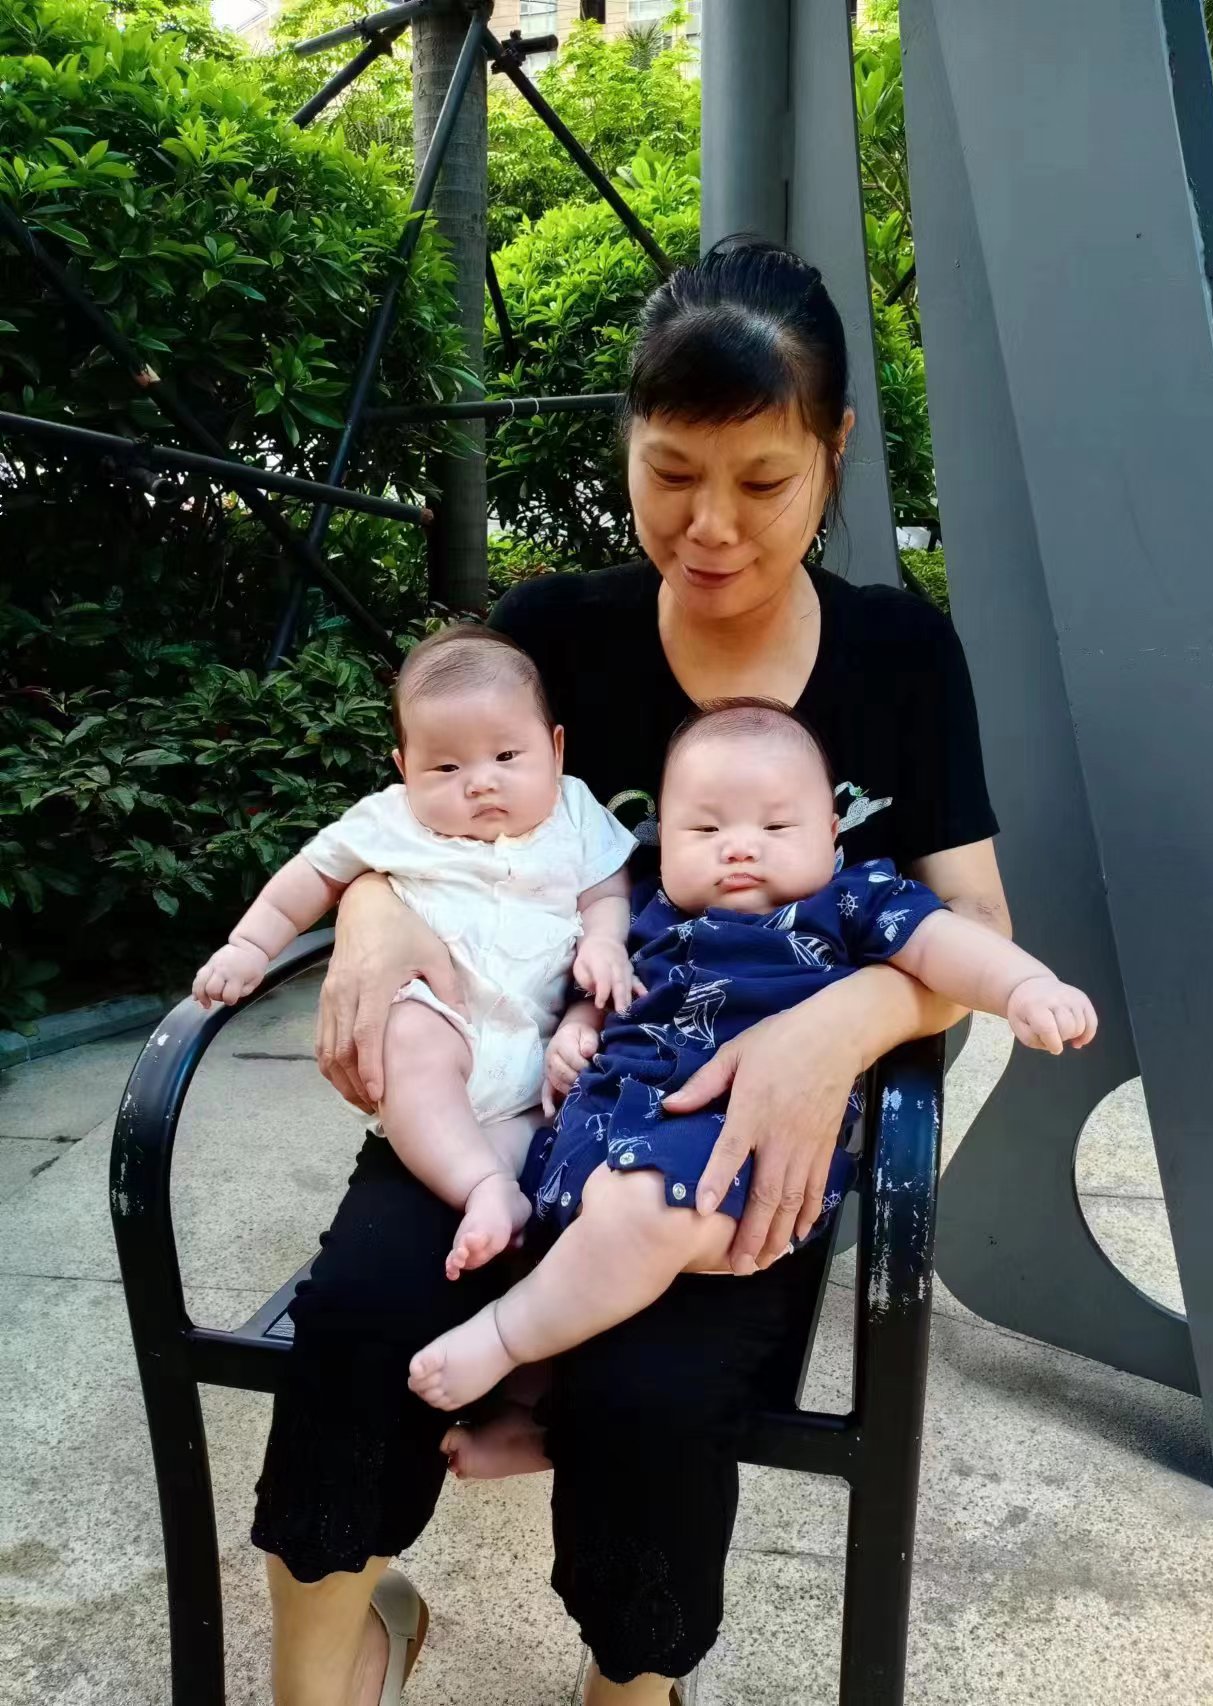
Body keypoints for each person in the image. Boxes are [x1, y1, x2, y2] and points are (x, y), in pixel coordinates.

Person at [251, 237, 1016, 1706]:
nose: (708, 526)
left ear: (833, 449)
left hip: (728, 1138)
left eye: (761, 480)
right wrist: (379, 912)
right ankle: (328, 1663)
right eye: (670, 472)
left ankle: (632, 1680)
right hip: (515, 1098)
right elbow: (414, 818)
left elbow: (972, 920)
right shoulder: (556, 637)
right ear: (627, 442)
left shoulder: (900, 657)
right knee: (360, 1316)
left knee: (645, 1395)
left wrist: (837, 1028)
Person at [408, 699, 1095, 1414]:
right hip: (597, 1127)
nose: (738, 847)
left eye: (775, 826)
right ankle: (528, 1415)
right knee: (508, 1183)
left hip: (730, 1156)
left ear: (832, 833)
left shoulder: (852, 902)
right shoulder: (645, 909)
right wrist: (578, 1027)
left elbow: (946, 944)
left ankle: (505, 1338)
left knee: (639, 1215)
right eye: (705, 829)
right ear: (661, 843)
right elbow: (599, 987)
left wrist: (1023, 986)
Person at [192, 625, 636, 1281]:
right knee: (407, 1039)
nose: (480, 783)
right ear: (404, 770)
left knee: (543, 1123)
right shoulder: (391, 821)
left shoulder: (574, 811)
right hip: (443, 1023)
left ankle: (506, 1215)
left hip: (541, 1047)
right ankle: (482, 1187)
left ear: (556, 747)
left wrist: (603, 940)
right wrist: (248, 946)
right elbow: (308, 880)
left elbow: (607, 890)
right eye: (447, 768)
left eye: (506, 755)